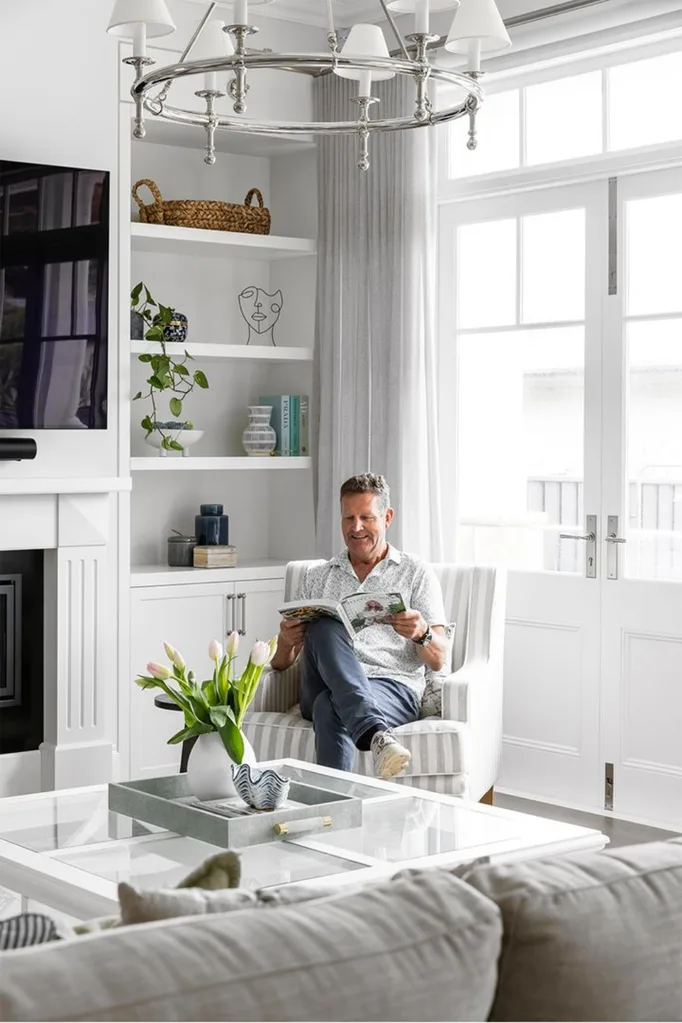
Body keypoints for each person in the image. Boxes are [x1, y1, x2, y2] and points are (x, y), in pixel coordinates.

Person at [270, 473, 448, 779]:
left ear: (387, 517)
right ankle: (376, 733)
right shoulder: (318, 576)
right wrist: (286, 642)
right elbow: (280, 663)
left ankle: (333, 813)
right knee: (325, 625)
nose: (356, 528)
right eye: (348, 518)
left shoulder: (416, 573)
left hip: (393, 687)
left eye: (366, 517)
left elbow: (440, 658)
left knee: (331, 707)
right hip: (321, 683)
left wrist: (421, 633)